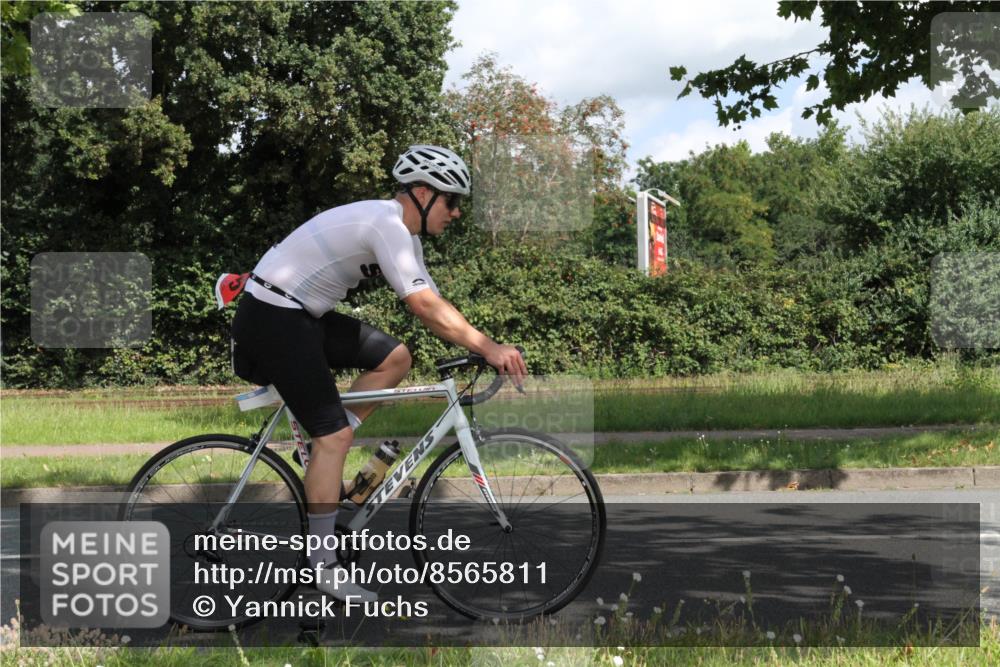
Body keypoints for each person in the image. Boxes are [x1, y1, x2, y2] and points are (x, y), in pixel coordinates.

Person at [230, 145, 527, 602]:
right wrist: (488, 348)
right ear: (424, 193)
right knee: (335, 439)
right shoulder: (385, 223)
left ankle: (324, 449)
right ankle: (323, 567)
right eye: (452, 201)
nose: (456, 212)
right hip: (273, 315)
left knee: (396, 359)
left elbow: (436, 301)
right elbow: (423, 306)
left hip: (299, 313)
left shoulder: (404, 237)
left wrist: (480, 345)